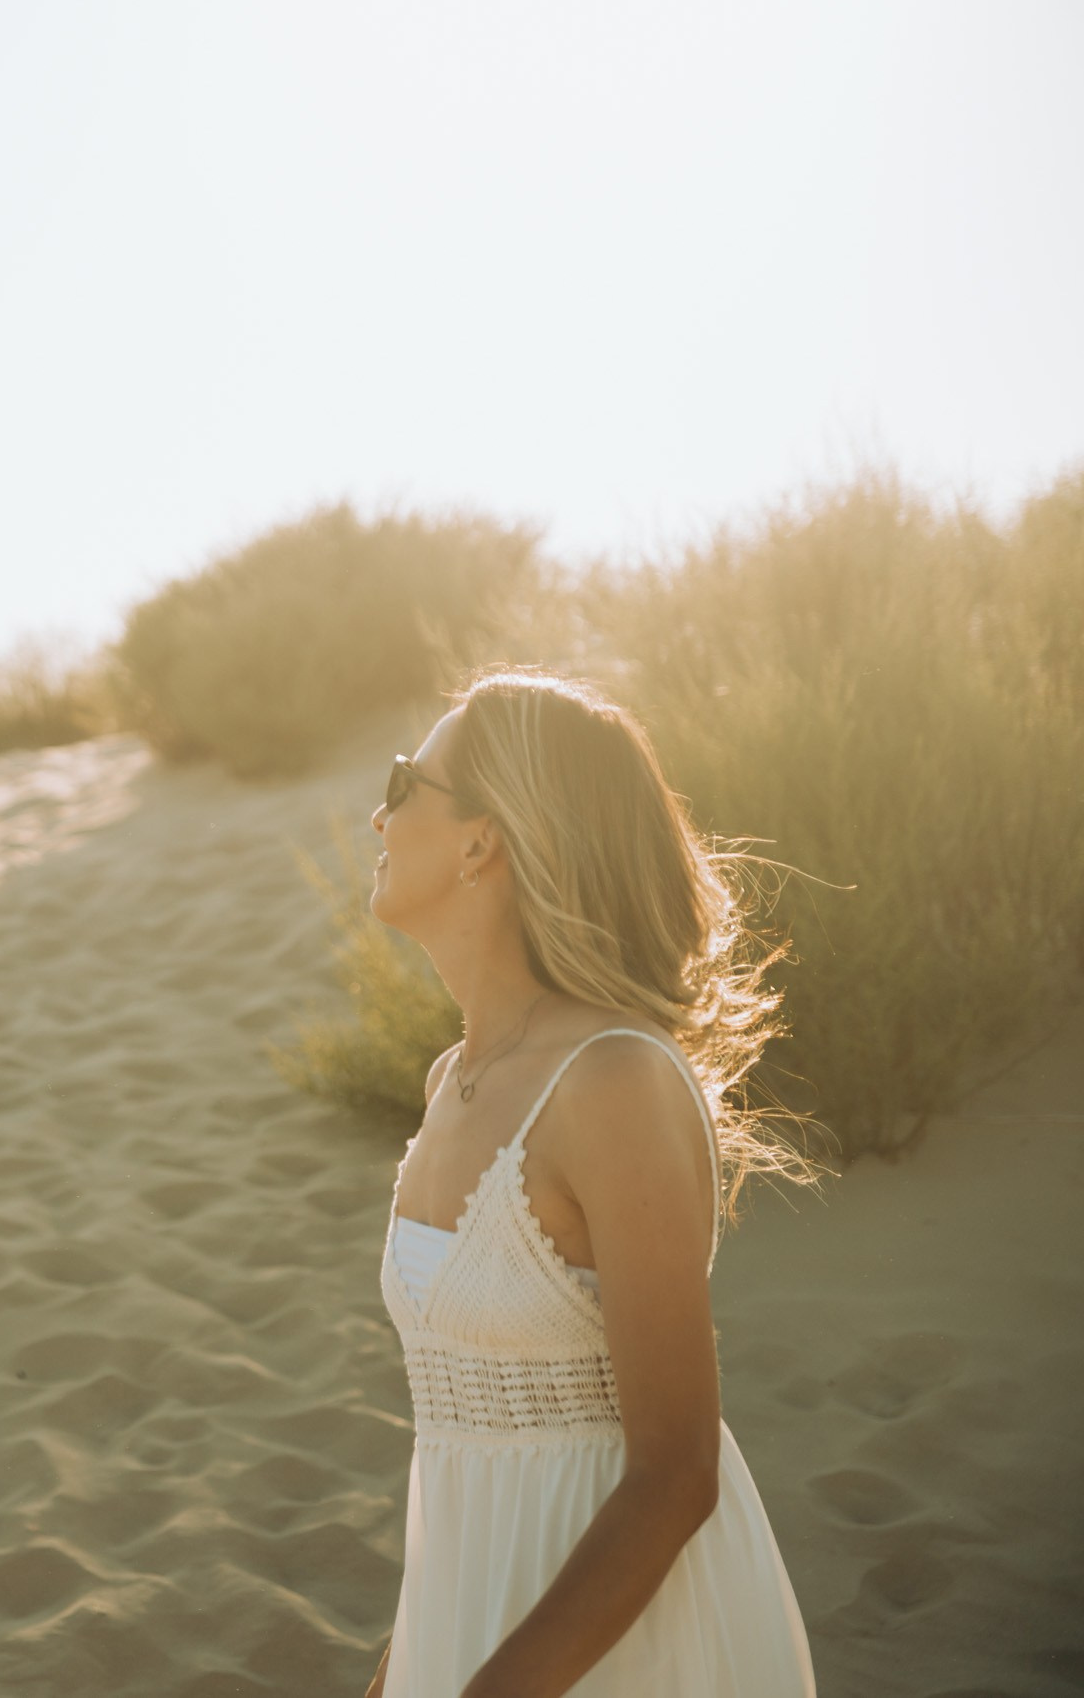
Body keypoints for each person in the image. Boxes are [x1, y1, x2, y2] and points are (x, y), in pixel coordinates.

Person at [364, 667, 815, 1697]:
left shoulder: (611, 1080)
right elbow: (460, 1447)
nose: (376, 816)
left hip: (616, 1648)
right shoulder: (451, 1080)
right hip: (470, 1621)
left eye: (403, 784)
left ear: (482, 841)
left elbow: (675, 1474)